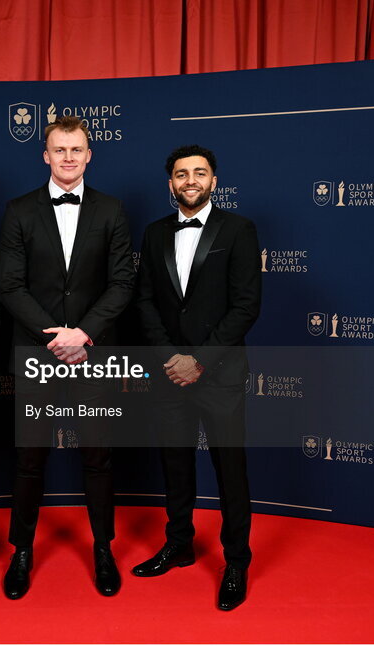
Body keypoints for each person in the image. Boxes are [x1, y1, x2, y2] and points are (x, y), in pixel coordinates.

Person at [0, 115, 135, 599]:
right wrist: (55, 338)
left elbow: (123, 283)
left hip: (94, 356)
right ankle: (22, 551)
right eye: (60, 150)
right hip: (38, 355)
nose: (69, 158)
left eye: (77, 149)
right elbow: (10, 285)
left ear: (89, 154)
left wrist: (85, 334)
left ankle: (103, 549)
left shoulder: (113, 211)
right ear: (46, 155)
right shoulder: (18, 211)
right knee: (29, 459)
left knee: (98, 457)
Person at [132, 144, 261, 611]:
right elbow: (144, 301)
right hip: (169, 374)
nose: (190, 180)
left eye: (199, 173)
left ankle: (236, 561)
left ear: (214, 181)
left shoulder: (240, 230)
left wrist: (199, 361)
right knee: (176, 465)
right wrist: (171, 359)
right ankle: (180, 543)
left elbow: (246, 304)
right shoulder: (153, 233)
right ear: (171, 184)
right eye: (182, 174)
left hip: (220, 374)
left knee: (230, 470)